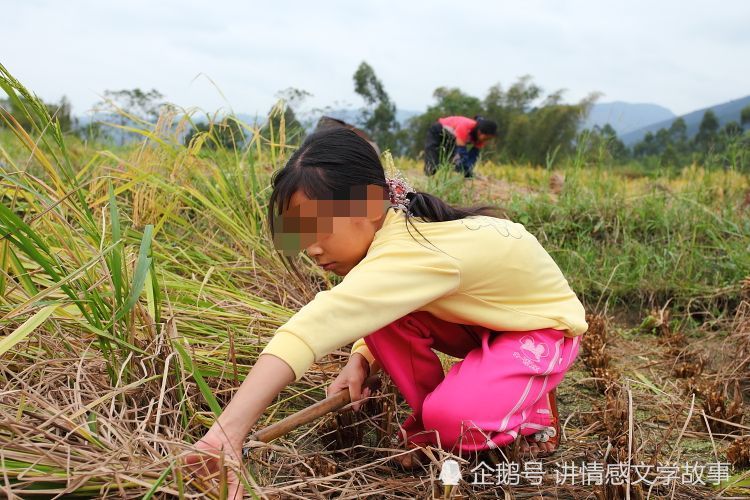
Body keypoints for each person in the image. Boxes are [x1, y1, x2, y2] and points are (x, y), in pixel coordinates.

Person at [185, 128, 586, 497]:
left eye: (319, 229)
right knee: (382, 324)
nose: (312, 248)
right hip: (484, 320)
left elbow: (316, 323)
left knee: (458, 421)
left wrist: (227, 433)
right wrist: (362, 357)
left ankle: (526, 411)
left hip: (541, 329)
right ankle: (437, 425)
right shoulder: (393, 236)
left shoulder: (413, 249)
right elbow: (373, 306)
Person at [424, 115, 497, 178]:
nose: (487, 140)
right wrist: (463, 168)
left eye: (489, 139)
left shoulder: (481, 139)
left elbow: (473, 156)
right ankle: (429, 174)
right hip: (439, 129)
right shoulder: (465, 126)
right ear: (480, 132)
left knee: (451, 160)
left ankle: (447, 177)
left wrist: (467, 170)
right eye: (486, 138)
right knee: (433, 153)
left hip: (452, 137)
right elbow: (461, 152)